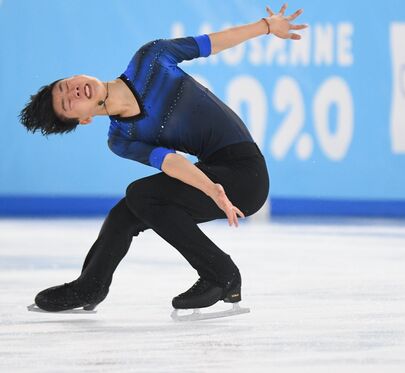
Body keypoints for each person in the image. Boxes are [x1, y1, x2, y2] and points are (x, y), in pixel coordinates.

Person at [19, 4, 307, 313]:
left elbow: (210, 43)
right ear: (84, 120)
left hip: (246, 176)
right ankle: (91, 285)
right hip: (216, 178)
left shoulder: (150, 58)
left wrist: (265, 25)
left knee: (140, 195)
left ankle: (221, 274)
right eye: (68, 103)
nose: (74, 92)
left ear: (76, 75)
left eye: (66, 85)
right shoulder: (122, 138)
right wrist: (211, 188)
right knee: (128, 210)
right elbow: (171, 163)